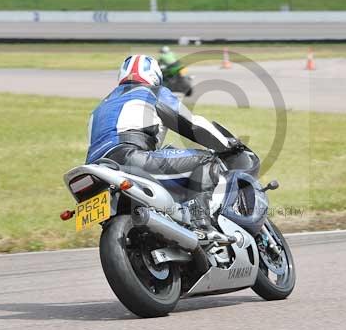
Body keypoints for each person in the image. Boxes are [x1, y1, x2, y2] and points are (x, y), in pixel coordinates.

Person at [85, 54, 238, 230]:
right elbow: (193, 125)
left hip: (97, 167)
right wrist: (227, 143)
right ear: (155, 76)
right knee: (206, 160)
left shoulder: (101, 106)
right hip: (129, 157)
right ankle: (201, 223)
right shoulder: (153, 92)